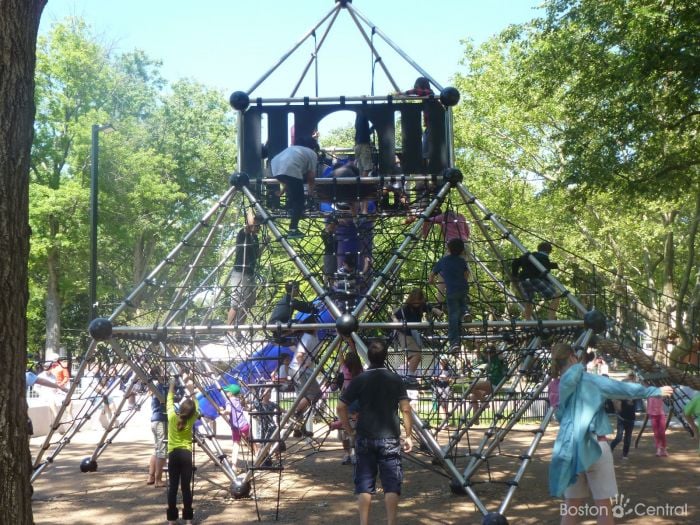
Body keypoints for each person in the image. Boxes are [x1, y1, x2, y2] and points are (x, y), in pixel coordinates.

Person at [549, 343, 673, 525]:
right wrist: (653, 391)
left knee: (571, 507)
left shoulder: (554, 387)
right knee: (604, 506)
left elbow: (560, 415)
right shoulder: (588, 380)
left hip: (569, 449)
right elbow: (620, 389)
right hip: (595, 447)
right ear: (572, 357)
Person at [337, 340, 413, 525]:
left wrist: (349, 430)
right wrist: (409, 435)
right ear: (385, 356)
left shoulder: (359, 380)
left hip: (364, 436)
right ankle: (391, 522)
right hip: (390, 438)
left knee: (364, 484)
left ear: (368, 357)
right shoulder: (395, 379)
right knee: (391, 485)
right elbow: (405, 409)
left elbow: (341, 407)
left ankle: (364, 523)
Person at [270, 137, 319, 238]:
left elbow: (288, 177)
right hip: (291, 170)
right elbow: (311, 177)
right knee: (299, 200)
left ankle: (292, 209)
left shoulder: (295, 149)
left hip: (275, 168)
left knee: (294, 193)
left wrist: (282, 192)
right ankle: (293, 229)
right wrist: (310, 193)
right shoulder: (312, 153)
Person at [166, 376, 198, 525]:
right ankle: (188, 519)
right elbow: (196, 406)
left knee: (173, 487)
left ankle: (172, 519)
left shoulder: (172, 417)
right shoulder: (191, 419)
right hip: (186, 453)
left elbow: (169, 401)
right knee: (186, 487)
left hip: (173, 453)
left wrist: (172, 386)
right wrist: (191, 389)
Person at [429, 238, 470, 353]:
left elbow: (432, 274)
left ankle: (454, 343)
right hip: (462, 288)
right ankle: (466, 312)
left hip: (451, 291)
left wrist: (431, 280)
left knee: (453, 317)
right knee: (462, 301)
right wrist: (464, 281)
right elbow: (466, 274)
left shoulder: (443, 261)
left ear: (448, 249)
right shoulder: (462, 261)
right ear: (462, 251)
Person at [392, 288, 442, 375]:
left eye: (418, 301)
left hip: (413, 333)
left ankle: (409, 375)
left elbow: (430, 308)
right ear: (411, 299)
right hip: (404, 333)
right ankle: (409, 377)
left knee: (415, 356)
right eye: (415, 301)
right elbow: (394, 315)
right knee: (416, 355)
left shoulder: (421, 306)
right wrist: (396, 321)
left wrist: (436, 310)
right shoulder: (406, 308)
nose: (417, 303)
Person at [226, 214, 261, 336]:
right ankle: (229, 331)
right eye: (257, 225)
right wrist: (252, 205)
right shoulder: (243, 233)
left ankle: (238, 330)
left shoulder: (255, 238)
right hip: (240, 272)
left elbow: (256, 255)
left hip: (250, 273)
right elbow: (249, 222)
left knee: (248, 302)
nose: (258, 227)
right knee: (236, 303)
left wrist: (264, 245)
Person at [511, 241, 561, 320]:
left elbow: (516, 262)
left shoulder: (530, 256)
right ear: (550, 251)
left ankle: (528, 321)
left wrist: (514, 275)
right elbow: (544, 271)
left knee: (529, 301)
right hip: (535, 279)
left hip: (523, 280)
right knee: (556, 295)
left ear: (538, 249)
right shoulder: (544, 258)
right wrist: (550, 283)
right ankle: (551, 319)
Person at [147, 367, 170, 487]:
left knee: (157, 449)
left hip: (155, 420)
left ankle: (151, 476)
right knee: (162, 451)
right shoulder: (161, 387)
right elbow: (170, 399)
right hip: (161, 420)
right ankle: (158, 479)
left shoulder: (155, 387)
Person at [609, 371, 639, 460]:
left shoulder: (635, 391)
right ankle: (609, 450)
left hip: (631, 417)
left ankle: (625, 454)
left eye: (633, 376)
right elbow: (615, 401)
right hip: (622, 418)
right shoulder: (622, 389)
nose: (631, 378)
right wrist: (618, 407)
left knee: (628, 437)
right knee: (619, 437)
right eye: (630, 376)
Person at [220, 383, 251, 469]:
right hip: (245, 425)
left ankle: (234, 465)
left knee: (236, 445)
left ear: (231, 393)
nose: (226, 393)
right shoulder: (238, 400)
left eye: (227, 392)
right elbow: (243, 408)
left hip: (236, 428)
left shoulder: (229, 401)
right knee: (251, 441)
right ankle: (259, 454)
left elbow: (229, 411)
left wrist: (223, 412)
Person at [645, 389, 668, 457]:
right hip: (652, 415)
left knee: (662, 433)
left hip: (661, 414)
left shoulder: (660, 393)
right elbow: (648, 403)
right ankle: (658, 449)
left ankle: (664, 448)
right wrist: (647, 412)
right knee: (656, 433)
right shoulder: (649, 393)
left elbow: (666, 394)